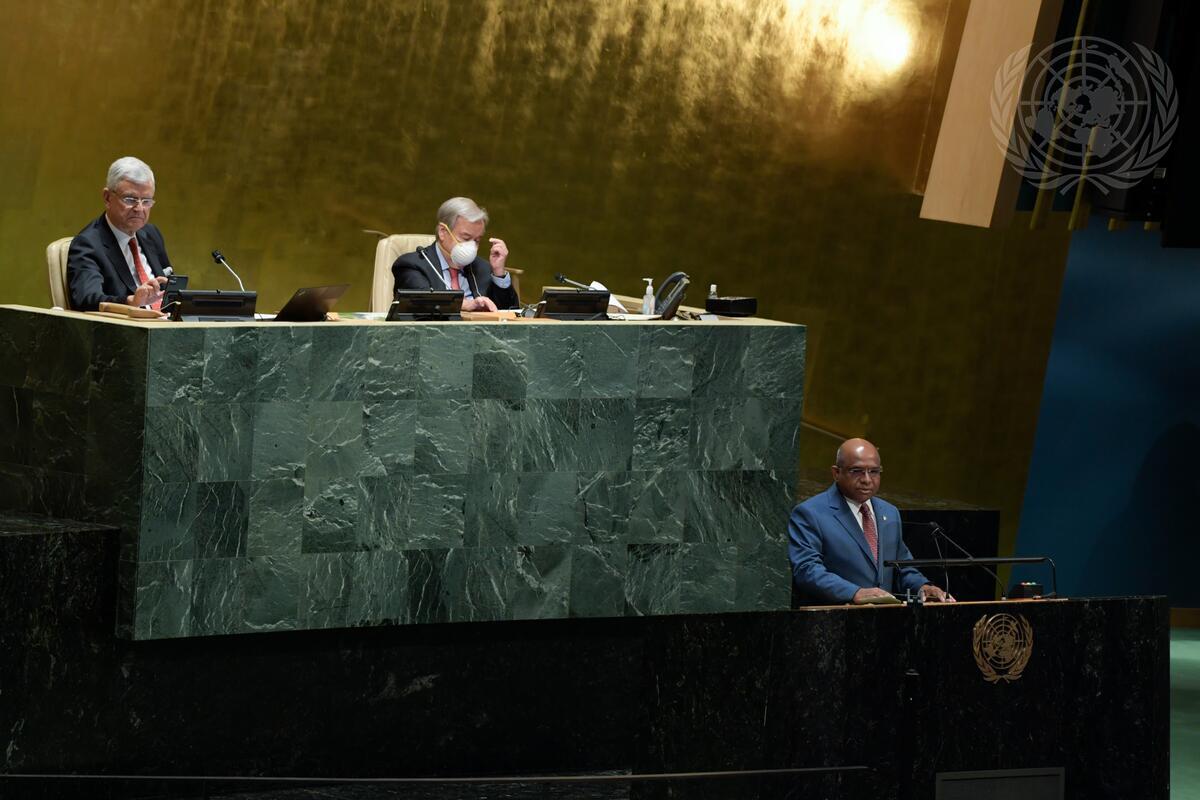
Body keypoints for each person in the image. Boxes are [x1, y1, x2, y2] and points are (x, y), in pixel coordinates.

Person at [788, 438, 955, 605]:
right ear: (836, 473)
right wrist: (854, 592)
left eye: (874, 471)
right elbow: (806, 569)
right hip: (835, 616)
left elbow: (903, 567)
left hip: (884, 617)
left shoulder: (889, 512)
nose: (867, 479)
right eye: (857, 471)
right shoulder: (811, 513)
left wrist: (922, 587)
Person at [67, 156, 170, 312]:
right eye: (130, 199)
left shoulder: (151, 233)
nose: (139, 209)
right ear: (107, 198)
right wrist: (131, 302)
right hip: (128, 325)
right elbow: (86, 299)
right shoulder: (88, 244)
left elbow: (169, 286)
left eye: (146, 201)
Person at [391, 197, 519, 311]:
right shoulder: (412, 265)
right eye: (466, 238)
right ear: (443, 232)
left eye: (477, 240)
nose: (472, 247)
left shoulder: (482, 268)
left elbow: (509, 313)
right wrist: (465, 304)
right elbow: (420, 301)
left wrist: (498, 273)